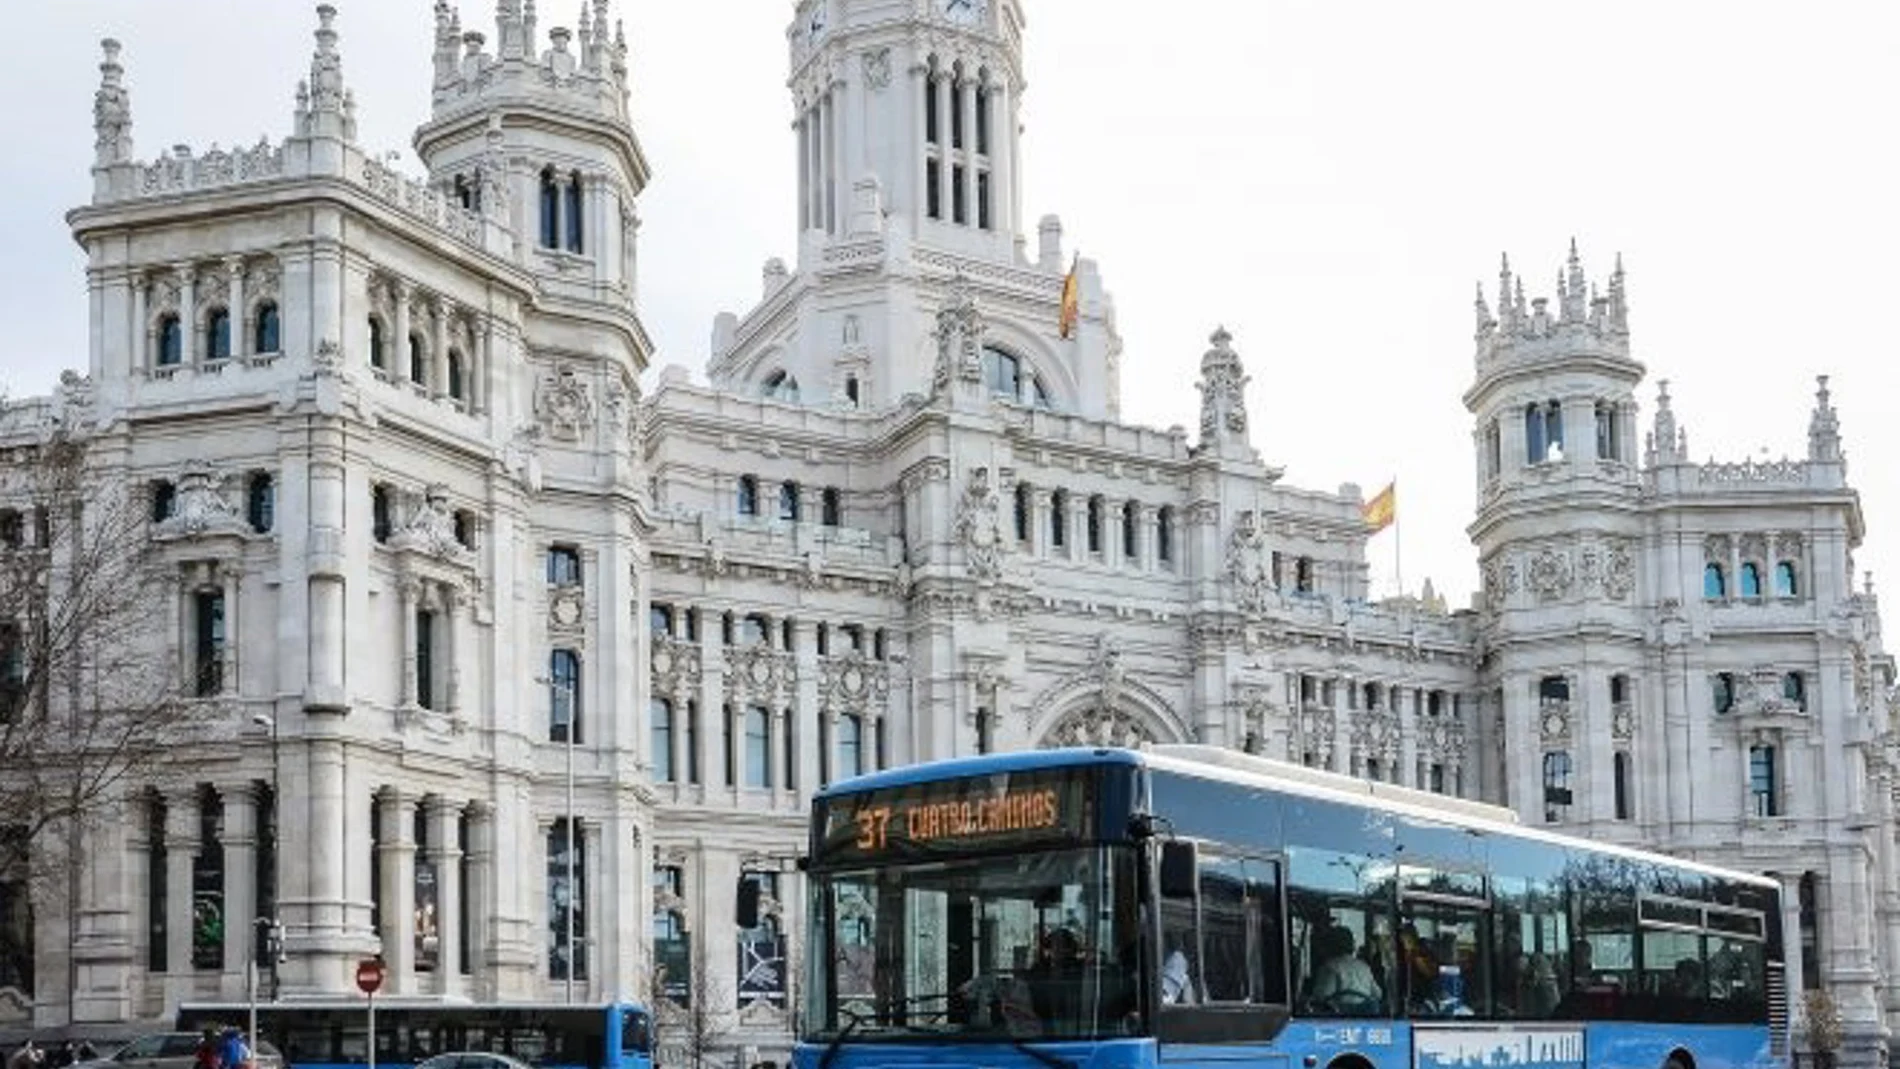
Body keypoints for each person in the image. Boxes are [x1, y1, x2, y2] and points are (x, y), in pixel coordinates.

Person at [1306, 925, 1382, 1011]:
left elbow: (1322, 996)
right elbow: (1377, 994)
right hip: (1365, 1017)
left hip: (1339, 1018)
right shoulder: (1363, 966)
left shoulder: (1329, 967)